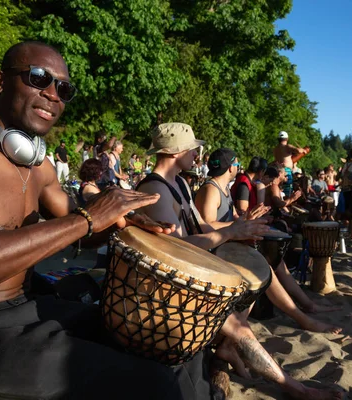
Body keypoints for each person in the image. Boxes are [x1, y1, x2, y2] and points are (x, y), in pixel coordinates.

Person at [0, 41, 219, 399]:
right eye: (39, 78)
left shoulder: (38, 166)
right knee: (155, 384)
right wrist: (90, 218)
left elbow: (80, 231)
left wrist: (123, 223)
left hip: (25, 310)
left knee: (171, 343)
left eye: (64, 88)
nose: (53, 94)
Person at [138, 125, 341, 400]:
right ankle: (298, 389)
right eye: (193, 148)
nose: (198, 154)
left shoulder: (181, 183)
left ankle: (235, 345)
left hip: (195, 269)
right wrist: (231, 233)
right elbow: (177, 248)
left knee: (256, 270)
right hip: (175, 284)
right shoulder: (155, 188)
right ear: (178, 152)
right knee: (240, 326)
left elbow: (199, 226)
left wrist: (241, 226)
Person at [195, 149, 342, 332]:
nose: (239, 166)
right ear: (230, 167)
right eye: (236, 162)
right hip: (215, 250)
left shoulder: (223, 188)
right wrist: (236, 228)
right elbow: (206, 225)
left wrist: (249, 218)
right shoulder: (211, 190)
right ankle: (301, 317)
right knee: (265, 268)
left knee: (276, 261)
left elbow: (233, 218)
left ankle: (307, 305)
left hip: (229, 243)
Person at [273, 131, 309, 198]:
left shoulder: (275, 149)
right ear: (287, 139)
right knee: (287, 190)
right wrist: (303, 150)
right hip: (286, 171)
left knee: (280, 188)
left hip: (277, 170)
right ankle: (286, 203)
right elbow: (298, 151)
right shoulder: (287, 146)